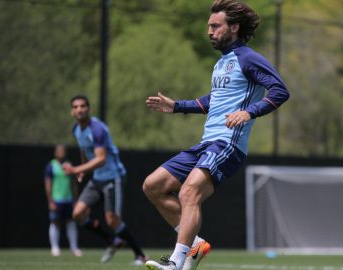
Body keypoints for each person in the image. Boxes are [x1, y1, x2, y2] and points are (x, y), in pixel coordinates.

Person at [143, 0, 290, 269]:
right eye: (209, 26)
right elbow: (212, 101)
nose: (209, 31)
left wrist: (249, 113)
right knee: (153, 185)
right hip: (207, 142)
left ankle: (176, 262)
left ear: (233, 27)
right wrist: (177, 106)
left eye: (215, 26)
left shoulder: (248, 58)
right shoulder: (222, 63)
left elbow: (280, 91)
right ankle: (195, 245)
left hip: (228, 144)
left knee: (189, 193)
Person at [63, 95, 148, 265]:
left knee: (112, 220)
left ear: (88, 109)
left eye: (83, 106)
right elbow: (85, 151)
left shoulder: (97, 129)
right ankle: (112, 241)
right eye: (76, 107)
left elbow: (101, 158)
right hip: (97, 178)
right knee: (78, 214)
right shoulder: (76, 129)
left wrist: (76, 170)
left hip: (112, 177)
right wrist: (83, 169)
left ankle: (141, 256)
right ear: (72, 111)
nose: (80, 109)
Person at [44, 144, 82, 257]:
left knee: (71, 222)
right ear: (55, 152)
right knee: (55, 222)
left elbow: (74, 184)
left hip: (69, 199)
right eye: (59, 150)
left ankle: (74, 248)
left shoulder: (70, 165)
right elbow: (48, 184)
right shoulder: (51, 166)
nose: (61, 152)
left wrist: (75, 200)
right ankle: (55, 248)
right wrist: (50, 201)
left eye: (63, 150)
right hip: (57, 200)